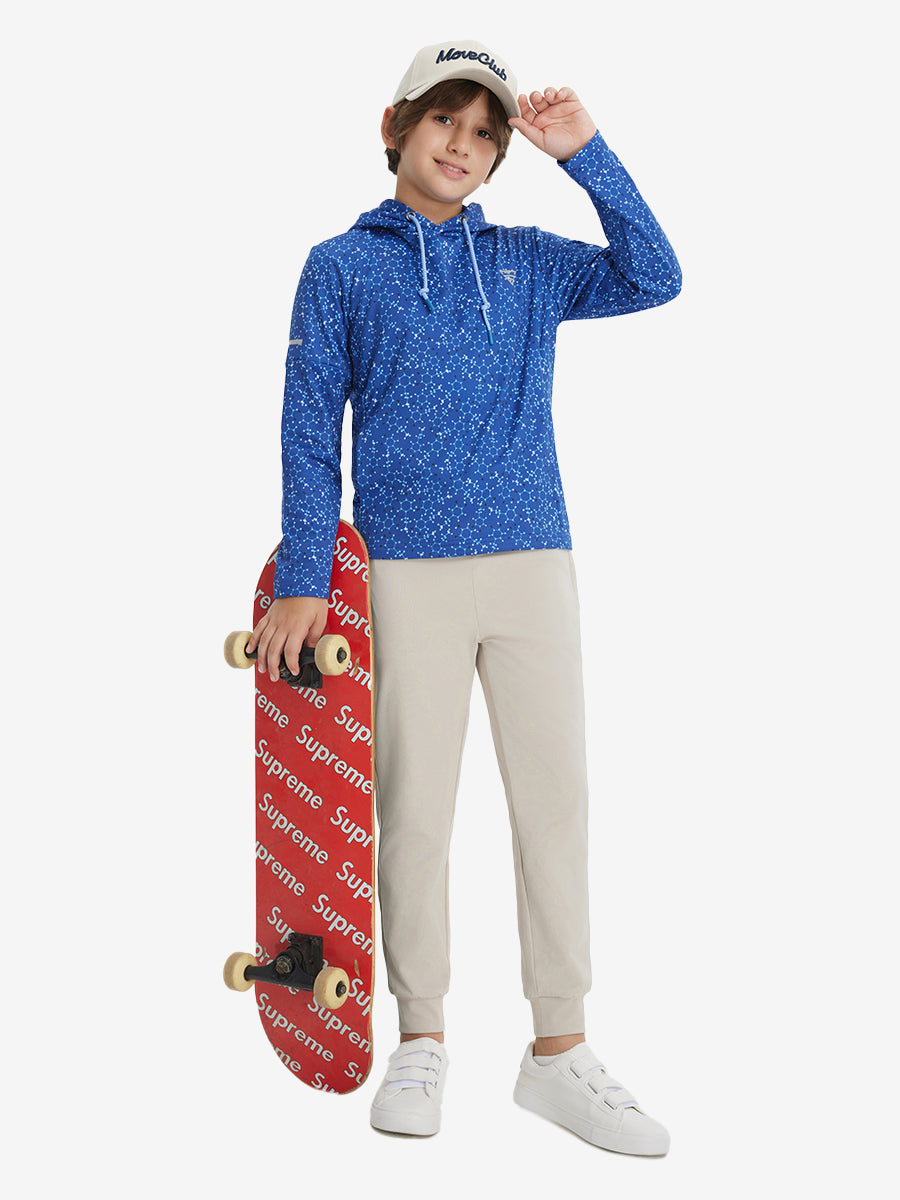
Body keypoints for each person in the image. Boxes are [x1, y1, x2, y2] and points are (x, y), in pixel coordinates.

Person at [247, 39, 681, 1151]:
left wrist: (585, 155)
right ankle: (422, 1037)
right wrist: (306, 580)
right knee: (414, 811)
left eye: (486, 133)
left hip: (533, 561)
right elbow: (309, 431)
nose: (463, 144)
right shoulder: (340, 267)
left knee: (556, 803)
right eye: (444, 118)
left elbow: (655, 274)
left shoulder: (528, 264)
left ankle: (560, 1050)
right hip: (402, 574)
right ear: (394, 129)